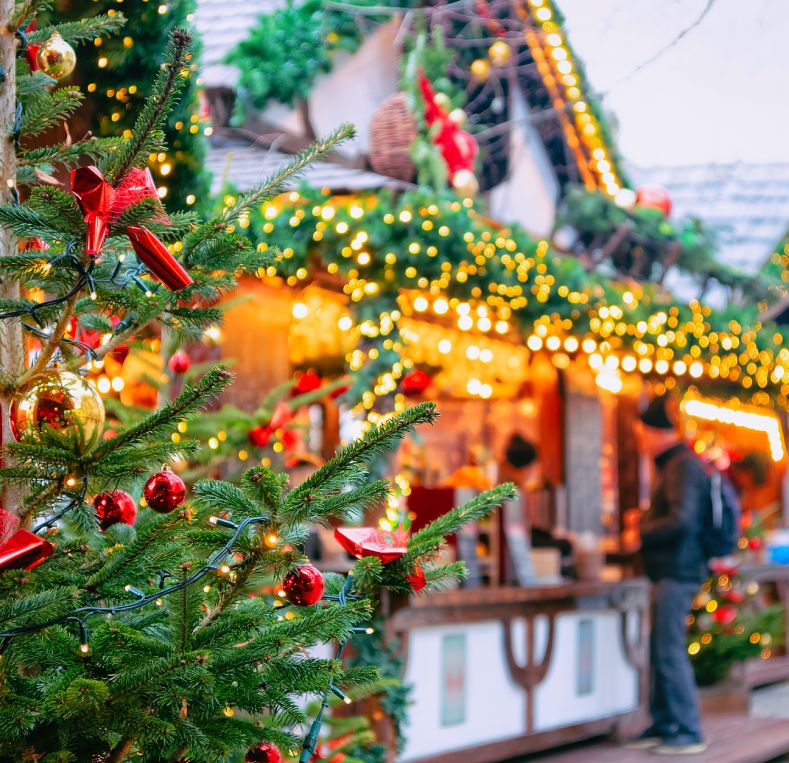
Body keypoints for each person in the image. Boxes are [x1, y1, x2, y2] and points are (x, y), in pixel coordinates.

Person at [626, 394, 709, 755]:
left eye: (643, 433)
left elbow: (683, 520)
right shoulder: (675, 465)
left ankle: (688, 729)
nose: (641, 441)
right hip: (671, 570)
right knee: (662, 647)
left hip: (679, 570)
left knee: (669, 648)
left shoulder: (681, 467)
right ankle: (664, 723)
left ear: (658, 433)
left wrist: (640, 531)